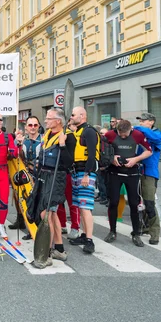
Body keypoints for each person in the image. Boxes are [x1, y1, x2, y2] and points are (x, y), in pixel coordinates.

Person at [27, 108, 75, 268]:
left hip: (57, 177)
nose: (45, 121)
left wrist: (62, 145)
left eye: (49, 118)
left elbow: (69, 162)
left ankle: (45, 255)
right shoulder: (47, 135)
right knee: (52, 213)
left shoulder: (68, 137)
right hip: (44, 176)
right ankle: (59, 249)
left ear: (58, 121)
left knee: (46, 213)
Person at [103, 120, 152, 247]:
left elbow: (149, 151)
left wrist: (136, 159)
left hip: (132, 173)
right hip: (115, 173)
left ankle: (136, 233)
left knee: (134, 203)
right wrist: (112, 157)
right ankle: (112, 231)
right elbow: (101, 150)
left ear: (131, 129)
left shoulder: (138, 135)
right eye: (120, 134)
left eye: (125, 134)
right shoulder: (109, 135)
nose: (123, 136)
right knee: (113, 202)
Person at [67, 107, 99, 254]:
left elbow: (92, 154)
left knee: (85, 207)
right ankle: (84, 235)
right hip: (77, 172)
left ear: (82, 116)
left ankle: (89, 240)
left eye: (73, 115)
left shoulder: (89, 131)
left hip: (85, 172)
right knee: (80, 205)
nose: (71, 117)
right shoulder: (78, 131)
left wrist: (87, 173)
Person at [135, 113, 161, 245]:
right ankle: (145, 226)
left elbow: (154, 137)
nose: (141, 123)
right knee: (140, 202)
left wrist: (135, 127)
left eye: (143, 121)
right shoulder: (140, 135)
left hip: (150, 173)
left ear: (151, 122)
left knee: (149, 202)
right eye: (140, 121)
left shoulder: (156, 134)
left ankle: (154, 232)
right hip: (137, 171)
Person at [12, 115, 42, 238]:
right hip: (26, 175)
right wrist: (17, 144)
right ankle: (24, 222)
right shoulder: (22, 141)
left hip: (40, 176)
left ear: (39, 126)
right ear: (26, 127)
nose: (33, 127)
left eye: (35, 125)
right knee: (22, 199)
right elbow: (15, 156)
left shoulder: (44, 140)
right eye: (30, 125)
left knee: (38, 202)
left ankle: (36, 228)